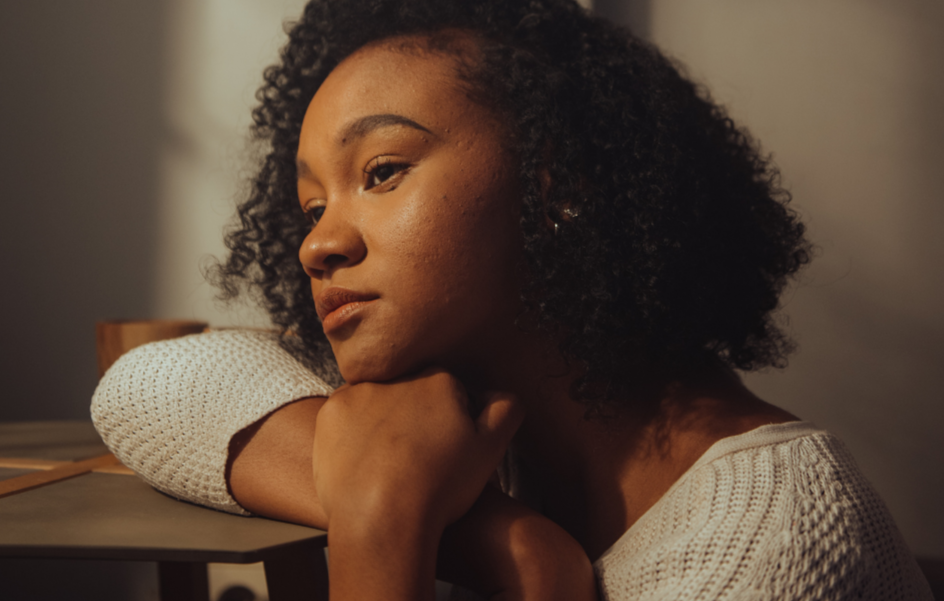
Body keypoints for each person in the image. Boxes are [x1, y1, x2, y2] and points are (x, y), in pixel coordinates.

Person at [91, 0, 933, 599]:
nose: (317, 243)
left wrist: (383, 525)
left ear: (555, 184)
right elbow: (145, 389)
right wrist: (505, 539)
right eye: (313, 207)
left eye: (381, 172)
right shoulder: (490, 440)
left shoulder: (772, 545)